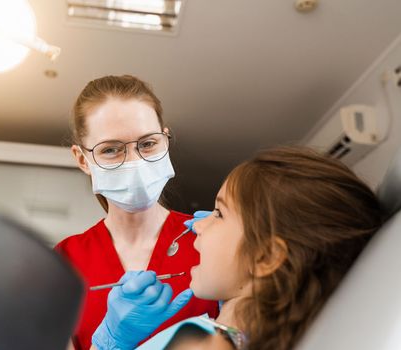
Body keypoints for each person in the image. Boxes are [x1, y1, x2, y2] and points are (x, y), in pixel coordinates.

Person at [103, 146, 383, 350]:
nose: (198, 225)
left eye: (219, 213)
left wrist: (110, 343)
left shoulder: (206, 345)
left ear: (267, 257)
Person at [54, 75, 219, 350]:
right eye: (111, 150)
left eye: (147, 144)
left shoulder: (209, 240)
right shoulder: (63, 264)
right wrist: (109, 342)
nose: (134, 161)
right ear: (83, 159)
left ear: (165, 139)